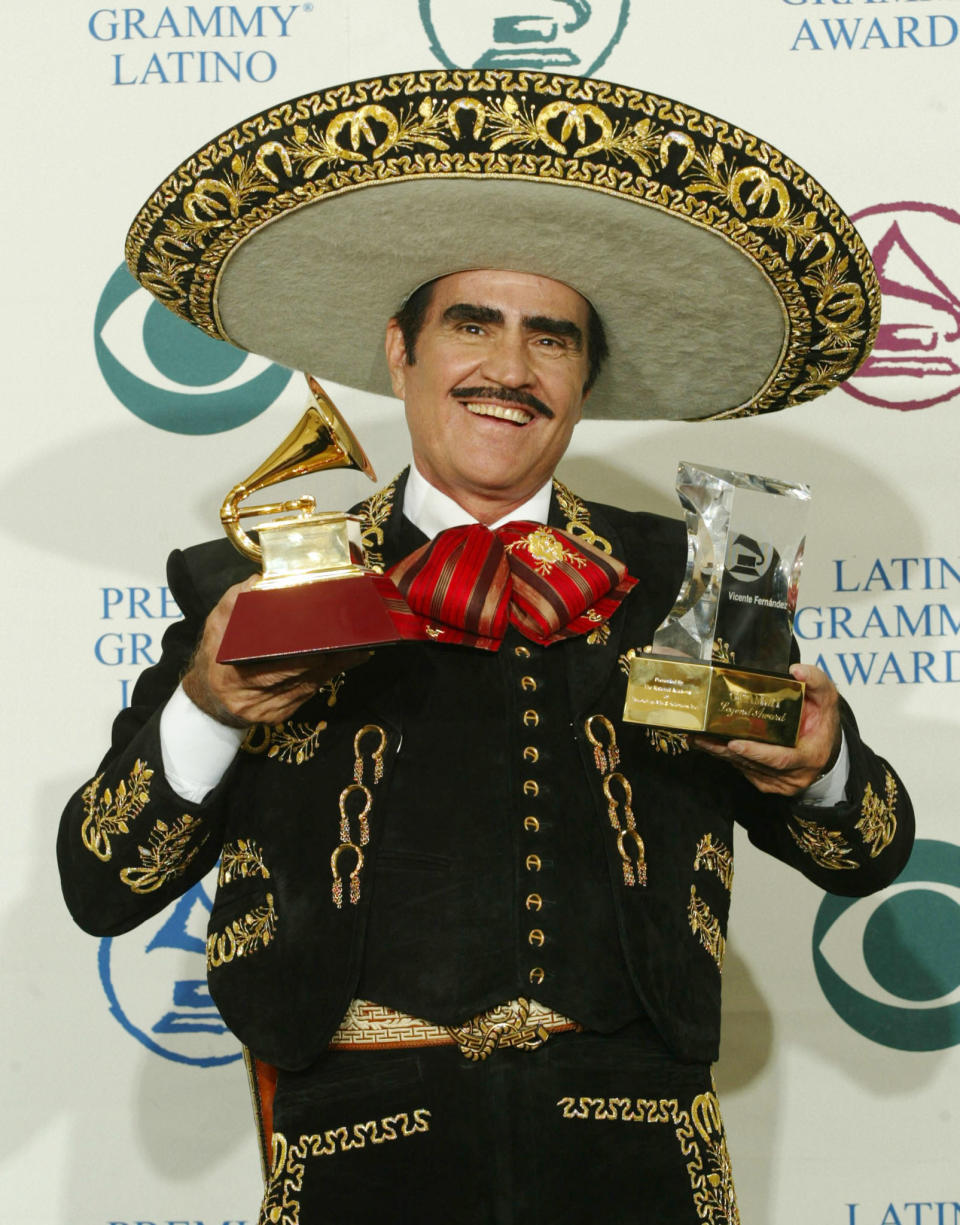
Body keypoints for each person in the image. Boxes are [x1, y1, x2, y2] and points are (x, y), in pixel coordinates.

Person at [59, 72, 914, 1224]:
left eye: (548, 338)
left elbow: (868, 854)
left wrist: (822, 767)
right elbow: (105, 882)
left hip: (638, 1141)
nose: (509, 370)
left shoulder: (690, 571)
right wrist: (210, 705)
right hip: (365, 1142)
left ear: (581, 381)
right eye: (473, 323)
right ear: (399, 349)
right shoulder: (260, 583)